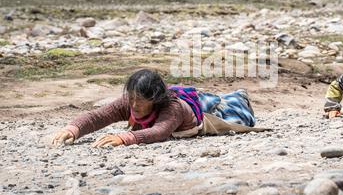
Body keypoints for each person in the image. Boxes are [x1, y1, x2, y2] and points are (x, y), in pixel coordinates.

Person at [52, 69, 266, 147]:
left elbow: (160, 131)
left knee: (238, 114)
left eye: (141, 101)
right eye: (132, 99)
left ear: (155, 99)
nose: (134, 105)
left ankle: (240, 95)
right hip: (191, 106)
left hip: (206, 116)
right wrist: (73, 129)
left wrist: (125, 138)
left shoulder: (171, 107)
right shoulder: (131, 100)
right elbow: (99, 115)